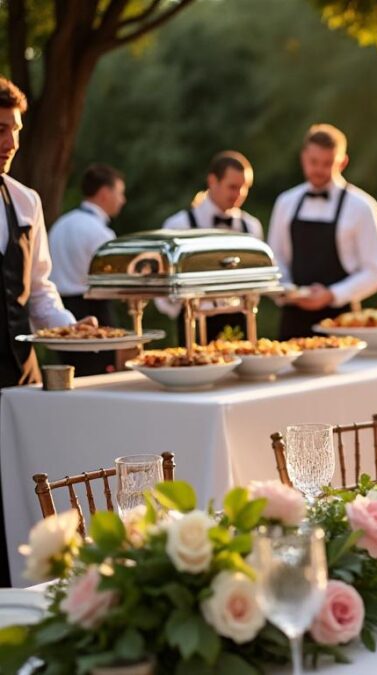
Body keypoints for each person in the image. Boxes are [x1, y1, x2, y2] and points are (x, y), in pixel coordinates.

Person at [0, 77, 86, 587]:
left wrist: (74, 331)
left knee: (22, 492)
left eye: (15, 129)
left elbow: (39, 291)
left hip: (20, 373)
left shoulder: (26, 200)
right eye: (0, 129)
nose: (10, 141)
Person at [270, 124, 377, 339]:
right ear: (303, 157)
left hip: (342, 323)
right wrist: (287, 291)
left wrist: (332, 294)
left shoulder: (362, 206)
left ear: (343, 162)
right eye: (313, 162)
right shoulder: (285, 202)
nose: (318, 169)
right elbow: (275, 259)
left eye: (327, 163)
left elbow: (376, 272)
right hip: (292, 322)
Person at [157, 151, 264, 341]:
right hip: (193, 321)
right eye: (232, 187)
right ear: (213, 181)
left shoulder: (252, 226)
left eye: (244, 188)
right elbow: (163, 283)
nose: (239, 194)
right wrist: (180, 309)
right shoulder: (178, 226)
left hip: (239, 319)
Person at [48, 163, 126, 375]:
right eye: (120, 193)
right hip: (94, 311)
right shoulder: (100, 233)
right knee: (98, 377)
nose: (123, 200)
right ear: (104, 193)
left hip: (60, 310)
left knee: (71, 374)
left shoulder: (60, 224)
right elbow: (116, 280)